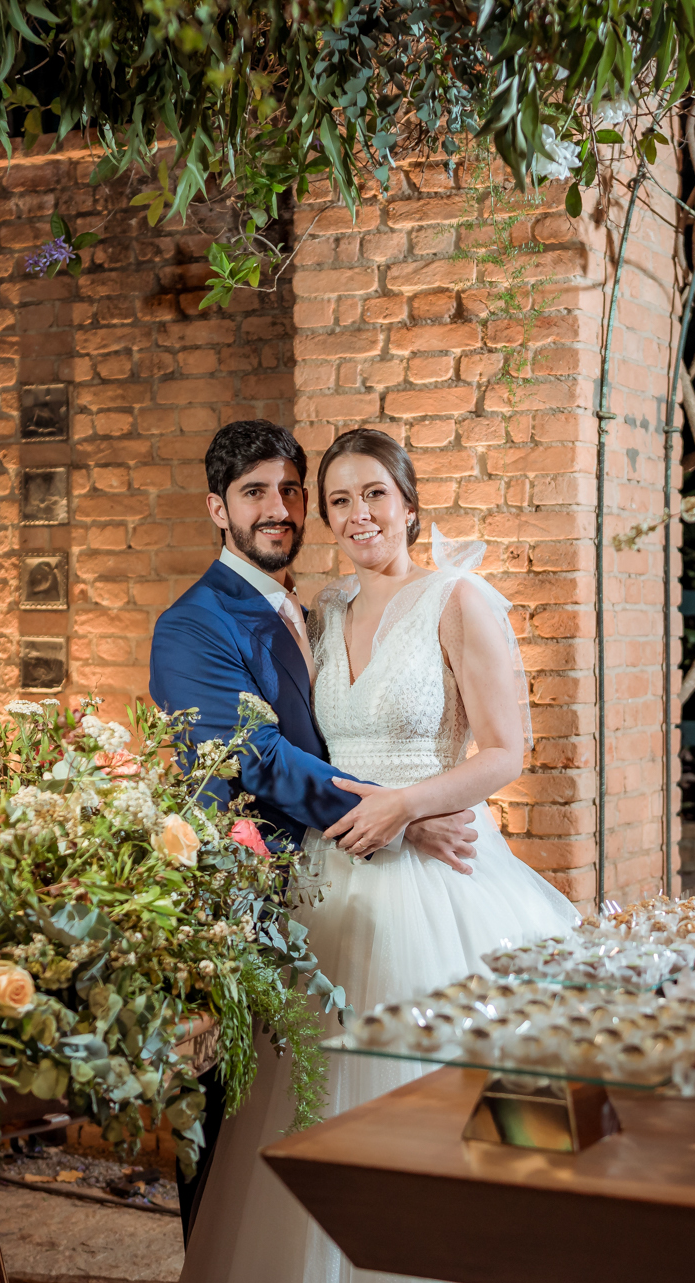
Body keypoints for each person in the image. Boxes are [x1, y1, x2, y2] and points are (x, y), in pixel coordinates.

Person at [160, 428, 687, 1283]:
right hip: (330, 886)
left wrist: (414, 805)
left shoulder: (458, 596)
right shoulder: (309, 608)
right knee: (309, 1114)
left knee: (462, 1113)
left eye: (369, 495)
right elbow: (274, 754)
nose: (349, 514)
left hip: (440, 890)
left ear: (410, 501)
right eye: (336, 502)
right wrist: (393, 812)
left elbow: (504, 750)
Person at [148, 420, 479, 1240]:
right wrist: (397, 813)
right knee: (239, 1125)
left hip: (332, 888)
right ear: (217, 509)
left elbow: (337, 735)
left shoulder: (315, 610)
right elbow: (256, 760)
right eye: (255, 492)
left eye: (291, 491)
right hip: (248, 900)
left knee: (343, 1097)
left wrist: (406, 802)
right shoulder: (192, 625)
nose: (279, 508)